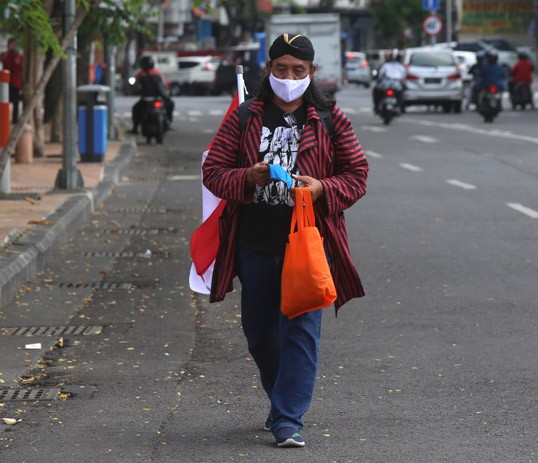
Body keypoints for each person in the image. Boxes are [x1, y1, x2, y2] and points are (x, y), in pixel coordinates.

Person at [202, 33, 368, 448]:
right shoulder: (244, 118)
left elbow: (357, 175)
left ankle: (288, 419)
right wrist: (247, 176)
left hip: (311, 245)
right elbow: (214, 171)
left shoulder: (330, 119)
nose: (289, 77)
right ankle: (282, 403)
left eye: (298, 70)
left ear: (311, 73)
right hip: (254, 245)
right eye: (281, 69)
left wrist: (322, 189)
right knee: (259, 334)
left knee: (300, 332)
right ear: (269, 70)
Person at [129, 55, 174, 134]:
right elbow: (165, 86)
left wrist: (134, 91)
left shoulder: (140, 74)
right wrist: (167, 94)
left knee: (135, 109)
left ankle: (135, 128)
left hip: (146, 99)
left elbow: (135, 87)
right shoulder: (159, 73)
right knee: (170, 105)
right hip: (159, 98)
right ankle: (169, 122)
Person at [0, 38, 23, 124]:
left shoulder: (19, 57)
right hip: (6, 83)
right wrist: (7, 52)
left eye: (13, 44)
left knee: (16, 103)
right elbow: (0, 60)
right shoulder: (5, 55)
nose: (11, 46)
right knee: (5, 102)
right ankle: (4, 120)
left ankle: (15, 120)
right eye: (9, 44)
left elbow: (21, 69)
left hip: (16, 82)